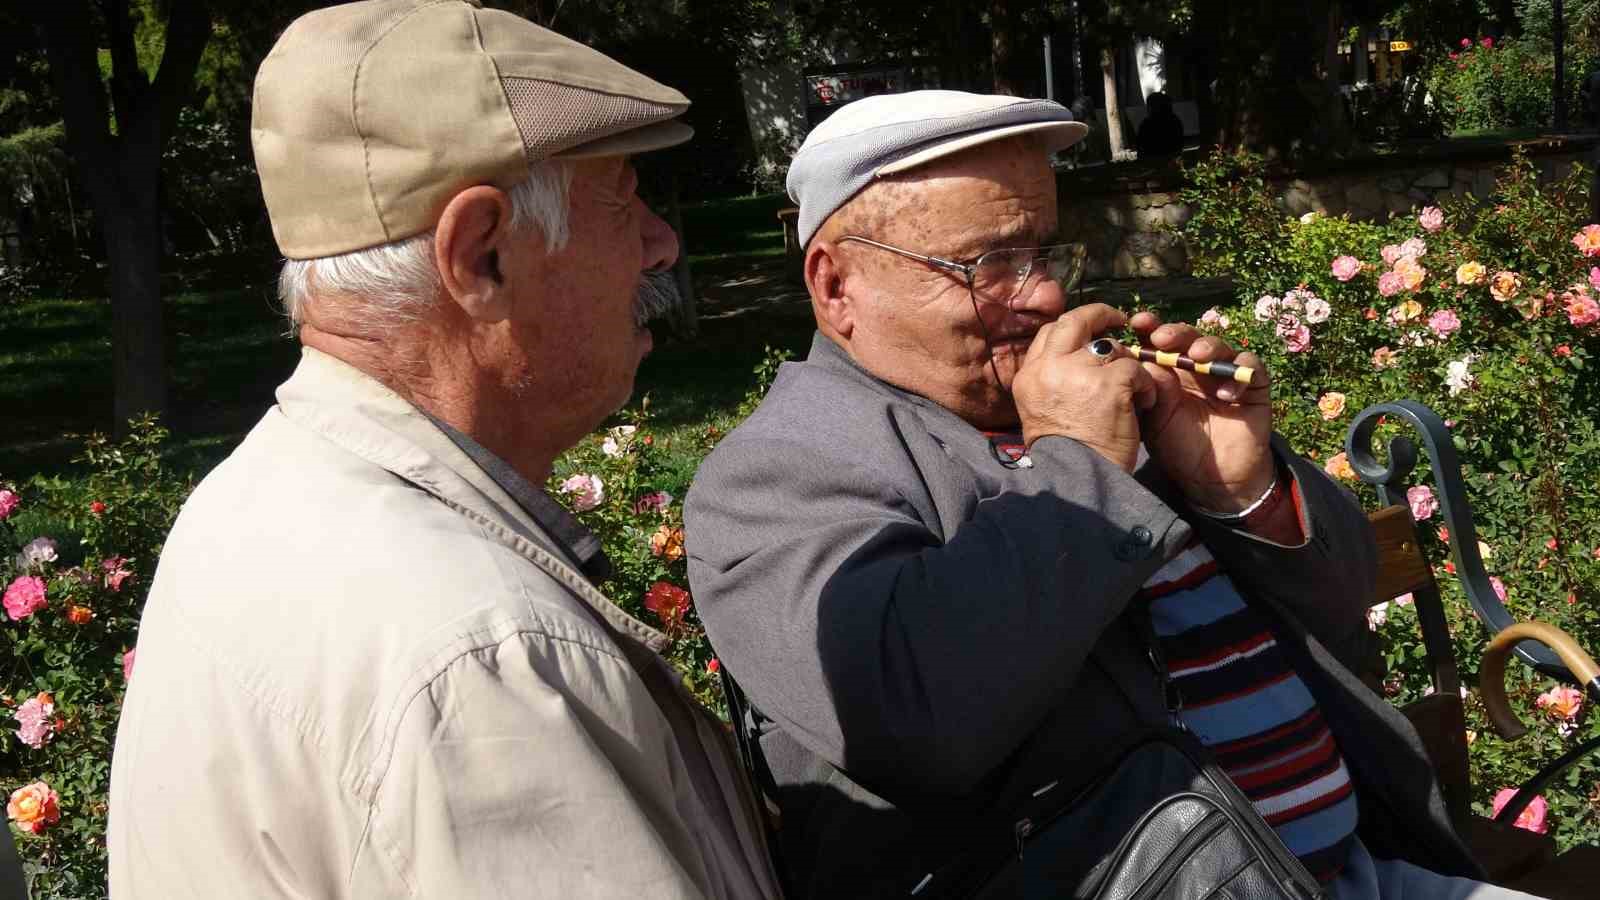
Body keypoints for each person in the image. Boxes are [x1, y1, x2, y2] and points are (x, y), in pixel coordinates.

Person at [685, 90, 1541, 899]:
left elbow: (1344, 600)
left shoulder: (1101, 406)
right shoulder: (779, 475)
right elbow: (915, 716)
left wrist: (1242, 491)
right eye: (989, 265)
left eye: (1045, 253)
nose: (1046, 295)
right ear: (837, 286)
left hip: (1359, 873)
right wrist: (1083, 463)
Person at [106, 2, 783, 897]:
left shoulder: (255, 497)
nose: (661, 243)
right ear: (482, 256)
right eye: (623, 199)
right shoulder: (482, 658)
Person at [1135, 90, 1186, 157]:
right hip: (1173, 158)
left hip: (1153, 159)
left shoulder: (1147, 124)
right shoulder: (1175, 120)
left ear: (1151, 107)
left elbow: (1141, 147)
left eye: (1149, 106)